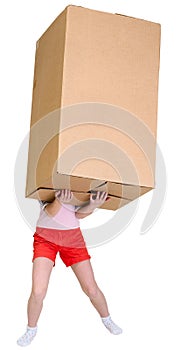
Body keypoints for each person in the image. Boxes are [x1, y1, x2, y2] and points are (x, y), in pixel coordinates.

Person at [17, 189, 122, 346]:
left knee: (91, 289)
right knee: (38, 291)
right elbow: (50, 211)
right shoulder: (47, 182)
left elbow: (77, 215)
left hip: (72, 237)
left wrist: (93, 205)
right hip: (46, 238)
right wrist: (59, 201)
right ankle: (31, 329)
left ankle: (107, 319)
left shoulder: (77, 181)